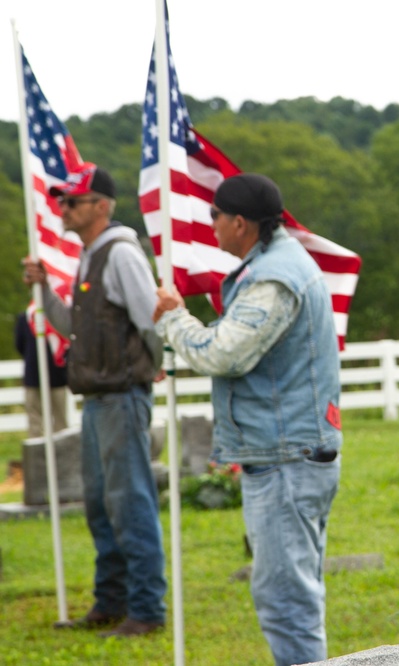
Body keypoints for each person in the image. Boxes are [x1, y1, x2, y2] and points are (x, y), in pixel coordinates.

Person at [153, 173, 343, 666]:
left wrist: (174, 317)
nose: (210, 224)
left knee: (285, 600)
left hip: (285, 458)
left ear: (240, 223)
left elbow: (225, 355)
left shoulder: (274, 277)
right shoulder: (275, 266)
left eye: (215, 215)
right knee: (292, 592)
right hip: (290, 452)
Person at [22, 163, 167, 637]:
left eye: (72, 201)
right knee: (102, 504)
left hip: (123, 395)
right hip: (100, 397)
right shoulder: (89, 256)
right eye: (63, 201)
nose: (63, 208)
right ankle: (111, 602)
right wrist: (43, 289)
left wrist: (154, 361)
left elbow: (151, 318)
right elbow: (71, 329)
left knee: (130, 503)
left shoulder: (120, 254)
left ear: (100, 207)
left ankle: (146, 610)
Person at [14, 310, 70, 438]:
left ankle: (62, 454)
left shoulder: (57, 317)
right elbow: (19, 344)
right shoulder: (26, 318)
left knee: (60, 421)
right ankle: (36, 455)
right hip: (33, 376)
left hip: (57, 376)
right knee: (35, 421)